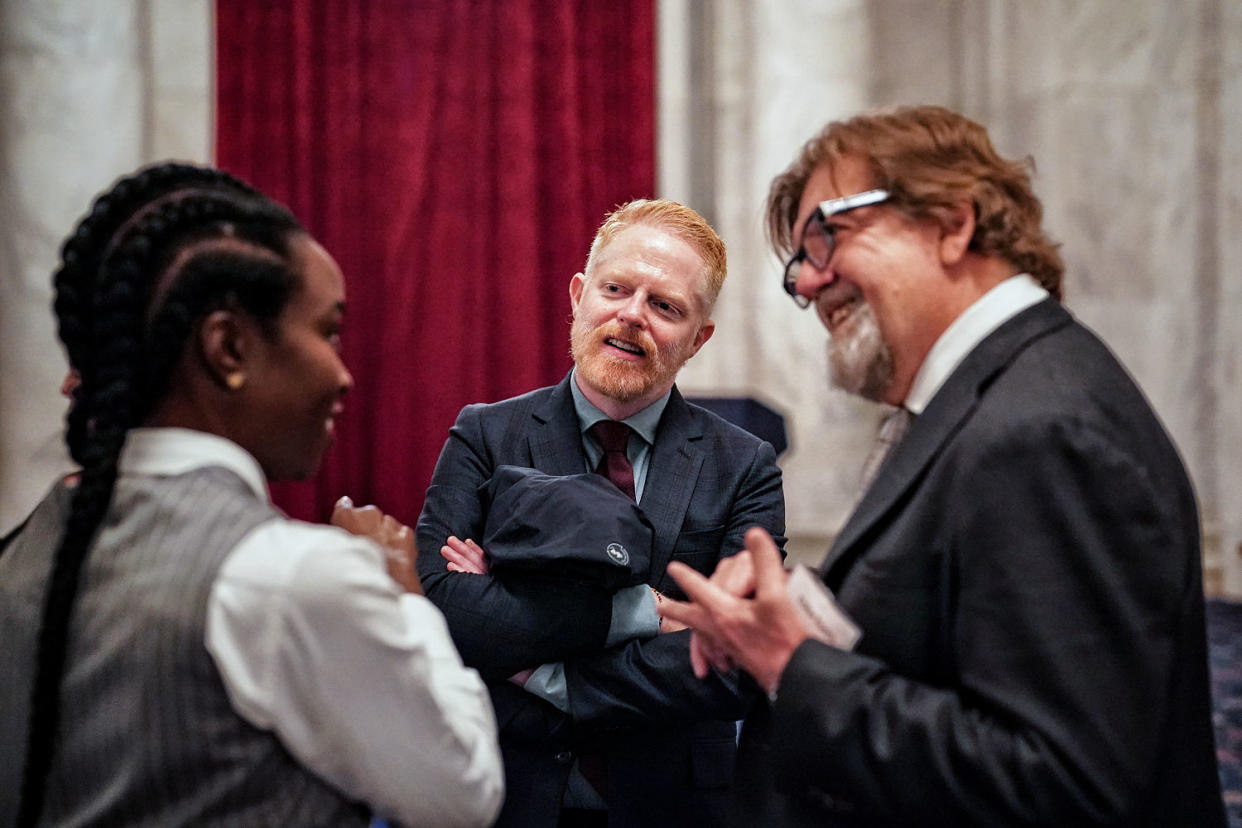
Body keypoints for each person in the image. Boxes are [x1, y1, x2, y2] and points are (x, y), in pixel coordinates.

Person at [658, 105, 1226, 827]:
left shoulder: (1043, 432)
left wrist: (794, 665)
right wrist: (784, 610)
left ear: (952, 224)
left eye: (825, 233)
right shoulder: (987, 400)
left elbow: (1064, 784)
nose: (804, 282)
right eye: (799, 259)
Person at [0, 163, 503, 827]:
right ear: (229, 348)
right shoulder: (289, 574)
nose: (344, 374)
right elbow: (461, 796)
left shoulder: (24, 549)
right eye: (326, 331)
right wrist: (403, 595)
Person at [416, 198, 786, 826]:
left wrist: (540, 671)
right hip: (505, 795)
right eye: (616, 288)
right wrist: (645, 613)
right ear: (579, 295)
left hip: (672, 806)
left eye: (665, 306)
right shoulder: (485, 435)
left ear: (698, 339)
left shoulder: (744, 464)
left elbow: (736, 663)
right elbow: (442, 611)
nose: (632, 315)